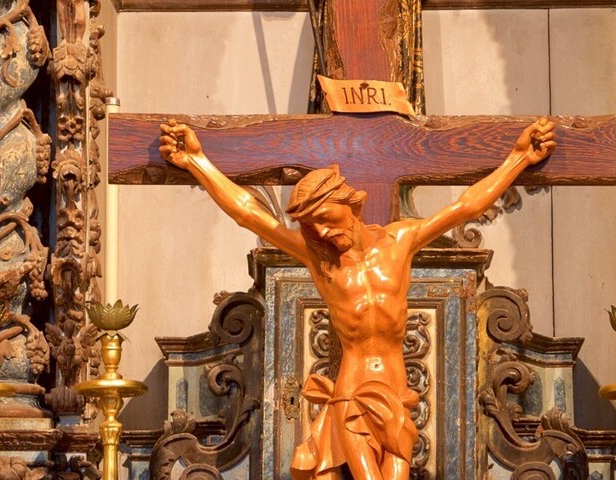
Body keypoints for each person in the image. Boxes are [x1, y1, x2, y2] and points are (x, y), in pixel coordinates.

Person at [157, 118, 557, 480]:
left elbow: (465, 206)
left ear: (349, 203)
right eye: (315, 229)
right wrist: (197, 162)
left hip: (400, 392)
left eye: (328, 220)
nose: (326, 234)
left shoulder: (400, 241)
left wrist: (519, 158)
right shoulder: (320, 260)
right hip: (351, 392)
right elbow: (250, 214)